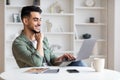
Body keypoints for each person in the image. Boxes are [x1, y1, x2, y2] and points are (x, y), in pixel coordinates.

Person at [12, 6, 87, 68]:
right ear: (25, 21)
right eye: (35, 20)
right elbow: (36, 63)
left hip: (51, 71)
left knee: (78, 63)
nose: (39, 23)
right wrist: (39, 42)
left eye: (40, 20)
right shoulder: (18, 43)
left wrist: (60, 59)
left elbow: (51, 59)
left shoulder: (43, 39)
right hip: (36, 76)